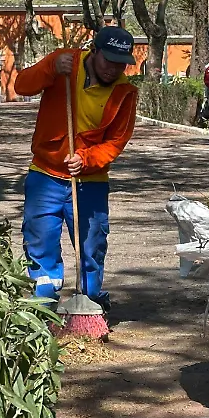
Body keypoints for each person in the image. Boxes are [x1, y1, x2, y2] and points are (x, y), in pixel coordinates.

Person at [14, 26, 139, 310]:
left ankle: (90, 300)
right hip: (45, 175)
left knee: (91, 244)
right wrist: (50, 69)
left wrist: (86, 159)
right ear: (94, 51)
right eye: (108, 61)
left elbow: (115, 143)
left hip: (91, 181)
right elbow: (22, 85)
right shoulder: (64, 63)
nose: (113, 69)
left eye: (121, 64)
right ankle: (44, 302)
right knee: (40, 240)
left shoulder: (125, 93)